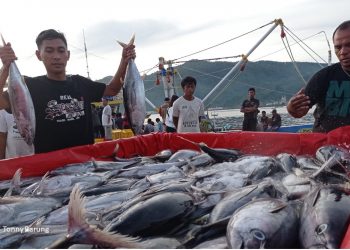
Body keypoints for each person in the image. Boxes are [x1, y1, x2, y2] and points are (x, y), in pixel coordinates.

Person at [0, 29, 135, 153]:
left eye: (61, 50)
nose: (56, 56)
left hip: (87, 165)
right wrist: (5, 69)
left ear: (68, 54)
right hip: (50, 169)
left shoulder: (81, 83)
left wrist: (124, 60)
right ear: (38, 55)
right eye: (49, 50)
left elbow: (112, 89)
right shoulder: (29, 87)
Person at [287, 20, 350, 133]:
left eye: (349, 45)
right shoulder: (324, 77)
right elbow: (298, 111)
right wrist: (292, 108)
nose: (343, 52)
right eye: (338, 47)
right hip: (325, 145)